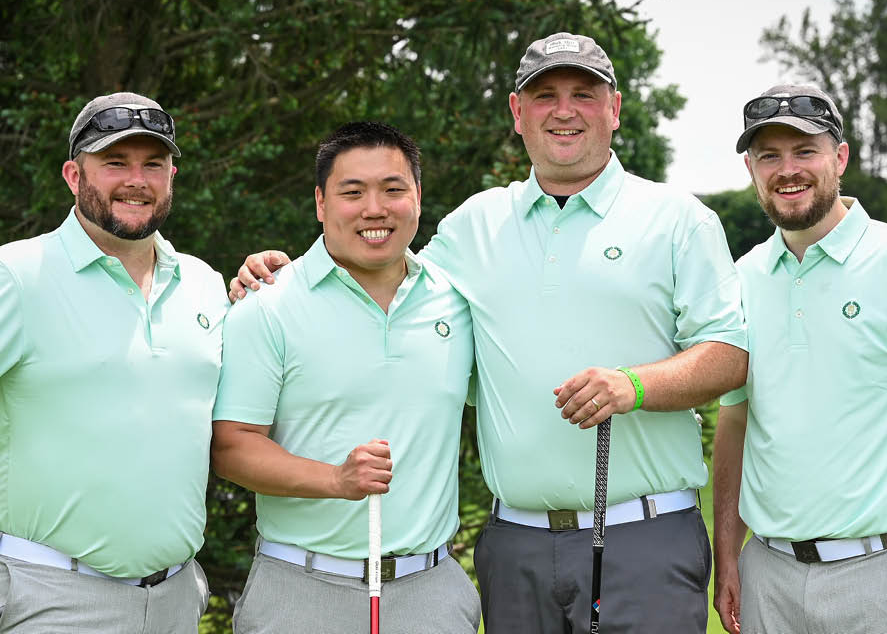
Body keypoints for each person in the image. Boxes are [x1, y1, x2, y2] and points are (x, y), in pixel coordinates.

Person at [232, 33, 748, 633]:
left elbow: (728, 356)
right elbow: (381, 268)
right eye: (544, 95)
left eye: (584, 94)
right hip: (515, 544)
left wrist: (634, 385)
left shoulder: (678, 219)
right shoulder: (473, 225)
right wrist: (279, 272)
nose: (563, 110)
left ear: (615, 109)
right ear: (516, 113)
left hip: (643, 536)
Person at [211, 122, 481, 634]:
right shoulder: (267, 305)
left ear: (418, 198)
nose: (374, 209)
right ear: (320, 202)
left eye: (393, 189)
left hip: (433, 594)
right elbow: (231, 447)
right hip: (300, 591)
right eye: (352, 192)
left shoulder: (458, 300)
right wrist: (335, 480)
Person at [712, 83, 887, 634]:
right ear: (752, 169)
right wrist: (726, 555)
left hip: (884, 572)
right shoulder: (741, 278)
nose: (787, 170)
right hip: (767, 577)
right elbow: (735, 417)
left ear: (840, 158)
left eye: (805, 151)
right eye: (769, 155)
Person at [0, 93, 226, 632]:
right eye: (115, 163)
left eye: (153, 164)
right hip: (50, 598)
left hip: (176, 598)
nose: (137, 180)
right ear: (74, 175)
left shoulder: (204, 283)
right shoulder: (16, 274)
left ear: (172, 175)